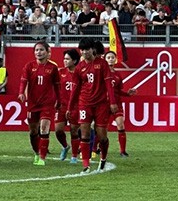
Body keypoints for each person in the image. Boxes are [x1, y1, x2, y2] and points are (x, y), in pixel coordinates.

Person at [66, 38, 117, 174]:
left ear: (92, 50)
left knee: (102, 136)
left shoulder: (102, 64)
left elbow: (108, 85)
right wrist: (70, 107)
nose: (84, 52)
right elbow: (75, 90)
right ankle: (86, 164)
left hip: (101, 104)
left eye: (87, 49)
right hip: (84, 104)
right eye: (82, 50)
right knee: (85, 132)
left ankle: (103, 158)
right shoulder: (79, 68)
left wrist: (112, 102)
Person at [17, 42, 61, 166]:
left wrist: (59, 99)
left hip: (47, 103)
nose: (39, 52)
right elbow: (23, 81)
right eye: (36, 50)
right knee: (33, 131)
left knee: (44, 127)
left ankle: (42, 156)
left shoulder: (53, 68)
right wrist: (21, 93)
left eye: (41, 50)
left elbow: (57, 86)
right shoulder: (29, 66)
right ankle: (36, 152)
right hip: (33, 103)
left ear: (47, 52)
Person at [104, 51, 137, 157]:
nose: (110, 59)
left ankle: (122, 151)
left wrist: (128, 93)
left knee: (120, 123)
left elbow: (118, 91)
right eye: (108, 57)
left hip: (117, 103)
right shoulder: (102, 73)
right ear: (104, 59)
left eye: (112, 57)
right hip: (104, 103)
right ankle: (96, 149)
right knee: (101, 128)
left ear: (115, 59)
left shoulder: (117, 74)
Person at [54, 49, 81, 163]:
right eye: (64, 58)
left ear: (74, 61)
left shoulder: (80, 73)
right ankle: (65, 146)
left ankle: (74, 156)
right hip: (62, 106)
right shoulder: (60, 73)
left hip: (76, 106)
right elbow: (55, 88)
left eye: (67, 59)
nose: (64, 61)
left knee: (74, 131)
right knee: (58, 130)